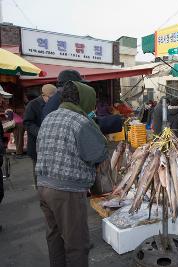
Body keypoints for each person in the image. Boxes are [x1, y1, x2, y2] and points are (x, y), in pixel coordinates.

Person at [36, 81, 108, 267]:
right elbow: (97, 153)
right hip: (66, 191)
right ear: (84, 100)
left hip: (43, 186)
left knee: (54, 237)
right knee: (76, 244)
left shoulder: (49, 118)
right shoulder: (81, 121)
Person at [42, 69, 123, 135]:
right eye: (80, 85)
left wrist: (116, 120)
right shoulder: (63, 101)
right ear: (72, 85)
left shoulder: (58, 99)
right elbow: (81, 126)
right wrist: (117, 121)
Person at [23, 84, 57, 189]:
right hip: (36, 143)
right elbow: (27, 123)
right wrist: (40, 132)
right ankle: (40, 190)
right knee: (38, 168)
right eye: (51, 98)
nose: (52, 100)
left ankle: (50, 188)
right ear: (44, 95)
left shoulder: (53, 104)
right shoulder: (32, 105)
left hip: (50, 143)